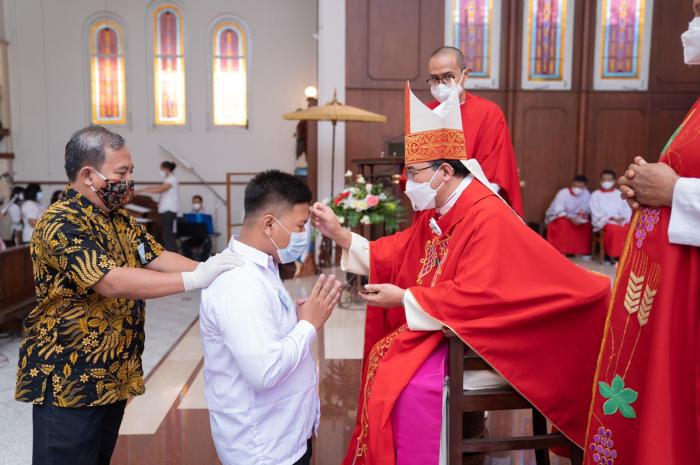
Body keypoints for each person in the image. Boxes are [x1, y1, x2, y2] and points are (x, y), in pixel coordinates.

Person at [312, 84, 610, 465]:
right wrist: (339, 234)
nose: (407, 183)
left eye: (414, 173)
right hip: (459, 330)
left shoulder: (486, 214)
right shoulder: (442, 207)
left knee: (403, 382)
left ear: (445, 171)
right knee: (385, 361)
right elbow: (402, 250)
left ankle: (448, 449)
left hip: (509, 338)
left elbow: (480, 294)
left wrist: (404, 298)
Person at [15, 126, 239, 465]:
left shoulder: (118, 219)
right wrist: (195, 280)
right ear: (89, 175)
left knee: (97, 457)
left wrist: (213, 268)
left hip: (112, 373)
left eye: (131, 170)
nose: (130, 180)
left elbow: (157, 256)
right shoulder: (61, 222)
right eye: (122, 172)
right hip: (70, 378)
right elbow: (111, 281)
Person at [584, 5, 700, 460]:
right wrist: (647, 190)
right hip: (676, 302)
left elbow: (682, 188)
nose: (691, 24)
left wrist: (676, 193)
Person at [200, 170, 342, 465]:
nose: (304, 235)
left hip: (285, 433)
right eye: (300, 225)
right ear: (269, 224)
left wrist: (299, 320)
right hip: (263, 448)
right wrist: (308, 325)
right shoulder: (239, 282)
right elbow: (264, 371)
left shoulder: (263, 267)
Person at [425, 46, 523, 216]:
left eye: (448, 76)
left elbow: (495, 170)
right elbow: (417, 167)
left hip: (475, 207)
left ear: (465, 74)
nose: (440, 85)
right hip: (433, 205)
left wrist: (461, 204)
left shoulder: (489, 113)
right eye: (434, 79)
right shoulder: (426, 113)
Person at [589, 170, 632, 261]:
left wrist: (623, 218)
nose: (606, 182)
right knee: (614, 230)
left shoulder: (619, 194)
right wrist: (610, 218)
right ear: (600, 180)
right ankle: (611, 255)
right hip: (605, 221)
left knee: (629, 229)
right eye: (604, 180)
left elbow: (626, 209)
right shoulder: (595, 195)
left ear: (614, 181)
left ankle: (625, 256)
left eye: (609, 180)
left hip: (620, 220)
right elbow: (595, 211)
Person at [544, 175, 592, 256]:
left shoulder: (586, 193)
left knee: (586, 225)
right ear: (572, 184)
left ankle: (579, 252)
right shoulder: (563, 193)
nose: (577, 189)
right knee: (563, 224)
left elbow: (585, 208)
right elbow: (558, 210)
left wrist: (579, 217)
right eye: (575, 186)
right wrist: (570, 218)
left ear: (585, 186)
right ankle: (561, 250)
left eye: (580, 187)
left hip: (577, 218)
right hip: (560, 216)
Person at [138, 161, 179, 251]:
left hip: (169, 210)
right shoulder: (168, 179)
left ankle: (172, 253)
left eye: (162, 169)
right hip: (166, 210)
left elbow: (161, 189)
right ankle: (170, 252)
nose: (161, 171)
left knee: (167, 234)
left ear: (167, 169)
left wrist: (144, 190)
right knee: (165, 233)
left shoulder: (171, 179)